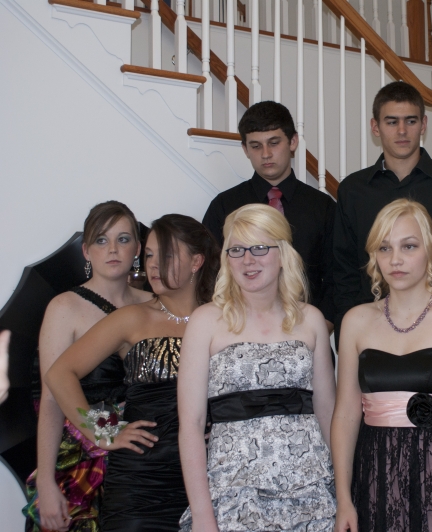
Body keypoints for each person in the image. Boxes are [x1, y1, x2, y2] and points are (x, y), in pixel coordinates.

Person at [46, 214, 220, 532]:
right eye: (149, 255)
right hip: (140, 483)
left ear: (196, 261)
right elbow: (60, 374)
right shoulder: (132, 318)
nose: (153, 265)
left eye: (166, 255)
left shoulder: (225, 318)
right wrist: (102, 431)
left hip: (213, 478)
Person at [331, 199, 432, 532]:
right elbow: (345, 415)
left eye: (409, 246)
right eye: (384, 248)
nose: (395, 260)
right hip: (374, 473)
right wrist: (343, 499)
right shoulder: (355, 321)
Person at [178, 204, 337, 531]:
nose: (248, 260)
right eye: (236, 250)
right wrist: (203, 514)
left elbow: (328, 414)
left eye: (260, 247)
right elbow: (191, 426)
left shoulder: (312, 320)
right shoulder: (205, 321)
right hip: (233, 491)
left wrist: (345, 495)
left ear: (283, 254)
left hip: (311, 491)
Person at [23, 201, 152, 532]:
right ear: (86, 250)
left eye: (123, 239)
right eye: (101, 240)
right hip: (82, 458)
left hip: (145, 455)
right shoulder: (65, 307)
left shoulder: (156, 304)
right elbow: (51, 398)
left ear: (138, 248)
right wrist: (46, 481)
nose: (113, 249)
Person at [332, 81, 432, 343]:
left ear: (424, 124)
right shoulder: (353, 190)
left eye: (411, 121)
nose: (402, 130)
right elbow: (343, 271)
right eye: (391, 122)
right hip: (372, 331)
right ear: (375, 127)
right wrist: (349, 333)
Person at [203, 101, 336, 331]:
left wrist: (321, 326)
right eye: (256, 146)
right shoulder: (224, 206)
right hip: (239, 328)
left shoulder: (323, 207)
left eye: (274, 143)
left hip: (306, 326)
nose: (266, 154)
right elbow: (209, 273)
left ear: (293, 142)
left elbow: (338, 276)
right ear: (245, 149)